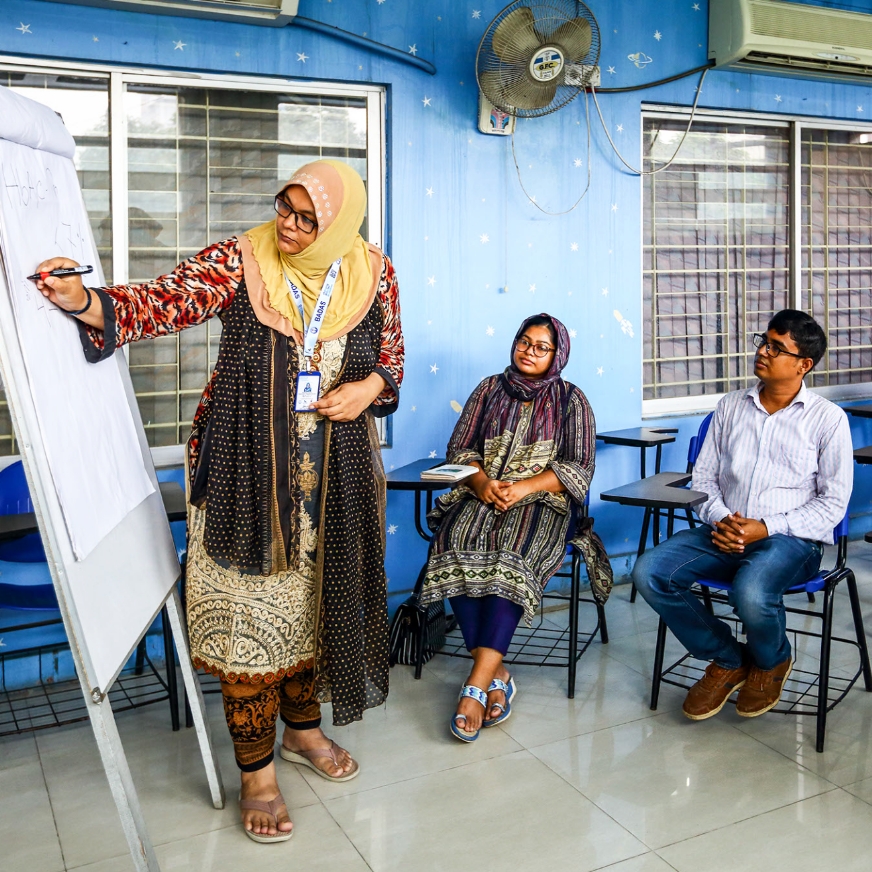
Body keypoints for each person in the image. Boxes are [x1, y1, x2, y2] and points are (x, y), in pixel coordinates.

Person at [33, 160, 403, 843]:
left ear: (339, 224)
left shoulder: (373, 272)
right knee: (247, 622)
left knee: (313, 610)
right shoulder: (243, 260)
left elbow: (392, 358)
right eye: (283, 209)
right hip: (244, 473)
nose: (288, 228)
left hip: (336, 477)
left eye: (306, 219)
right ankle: (257, 776)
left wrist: (370, 387)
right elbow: (161, 302)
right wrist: (84, 302)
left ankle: (302, 732)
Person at [633, 309, 852, 721]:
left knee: (750, 592)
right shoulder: (730, 406)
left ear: (803, 364)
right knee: (650, 572)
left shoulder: (828, 420)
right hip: (724, 530)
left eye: (776, 347)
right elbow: (703, 480)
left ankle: (771, 661)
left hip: (792, 540)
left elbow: (833, 504)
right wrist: (723, 520)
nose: (763, 352)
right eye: (763, 341)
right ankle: (728, 658)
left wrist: (764, 528)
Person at [418, 314, 612, 741]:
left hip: (544, 500)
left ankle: (474, 688)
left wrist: (523, 488)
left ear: (556, 354)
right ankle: (497, 674)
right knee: (453, 542)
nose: (529, 351)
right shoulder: (488, 389)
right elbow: (460, 447)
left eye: (541, 346)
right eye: (524, 342)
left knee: (513, 554)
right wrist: (483, 482)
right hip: (483, 492)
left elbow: (579, 466)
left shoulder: (571, 400)